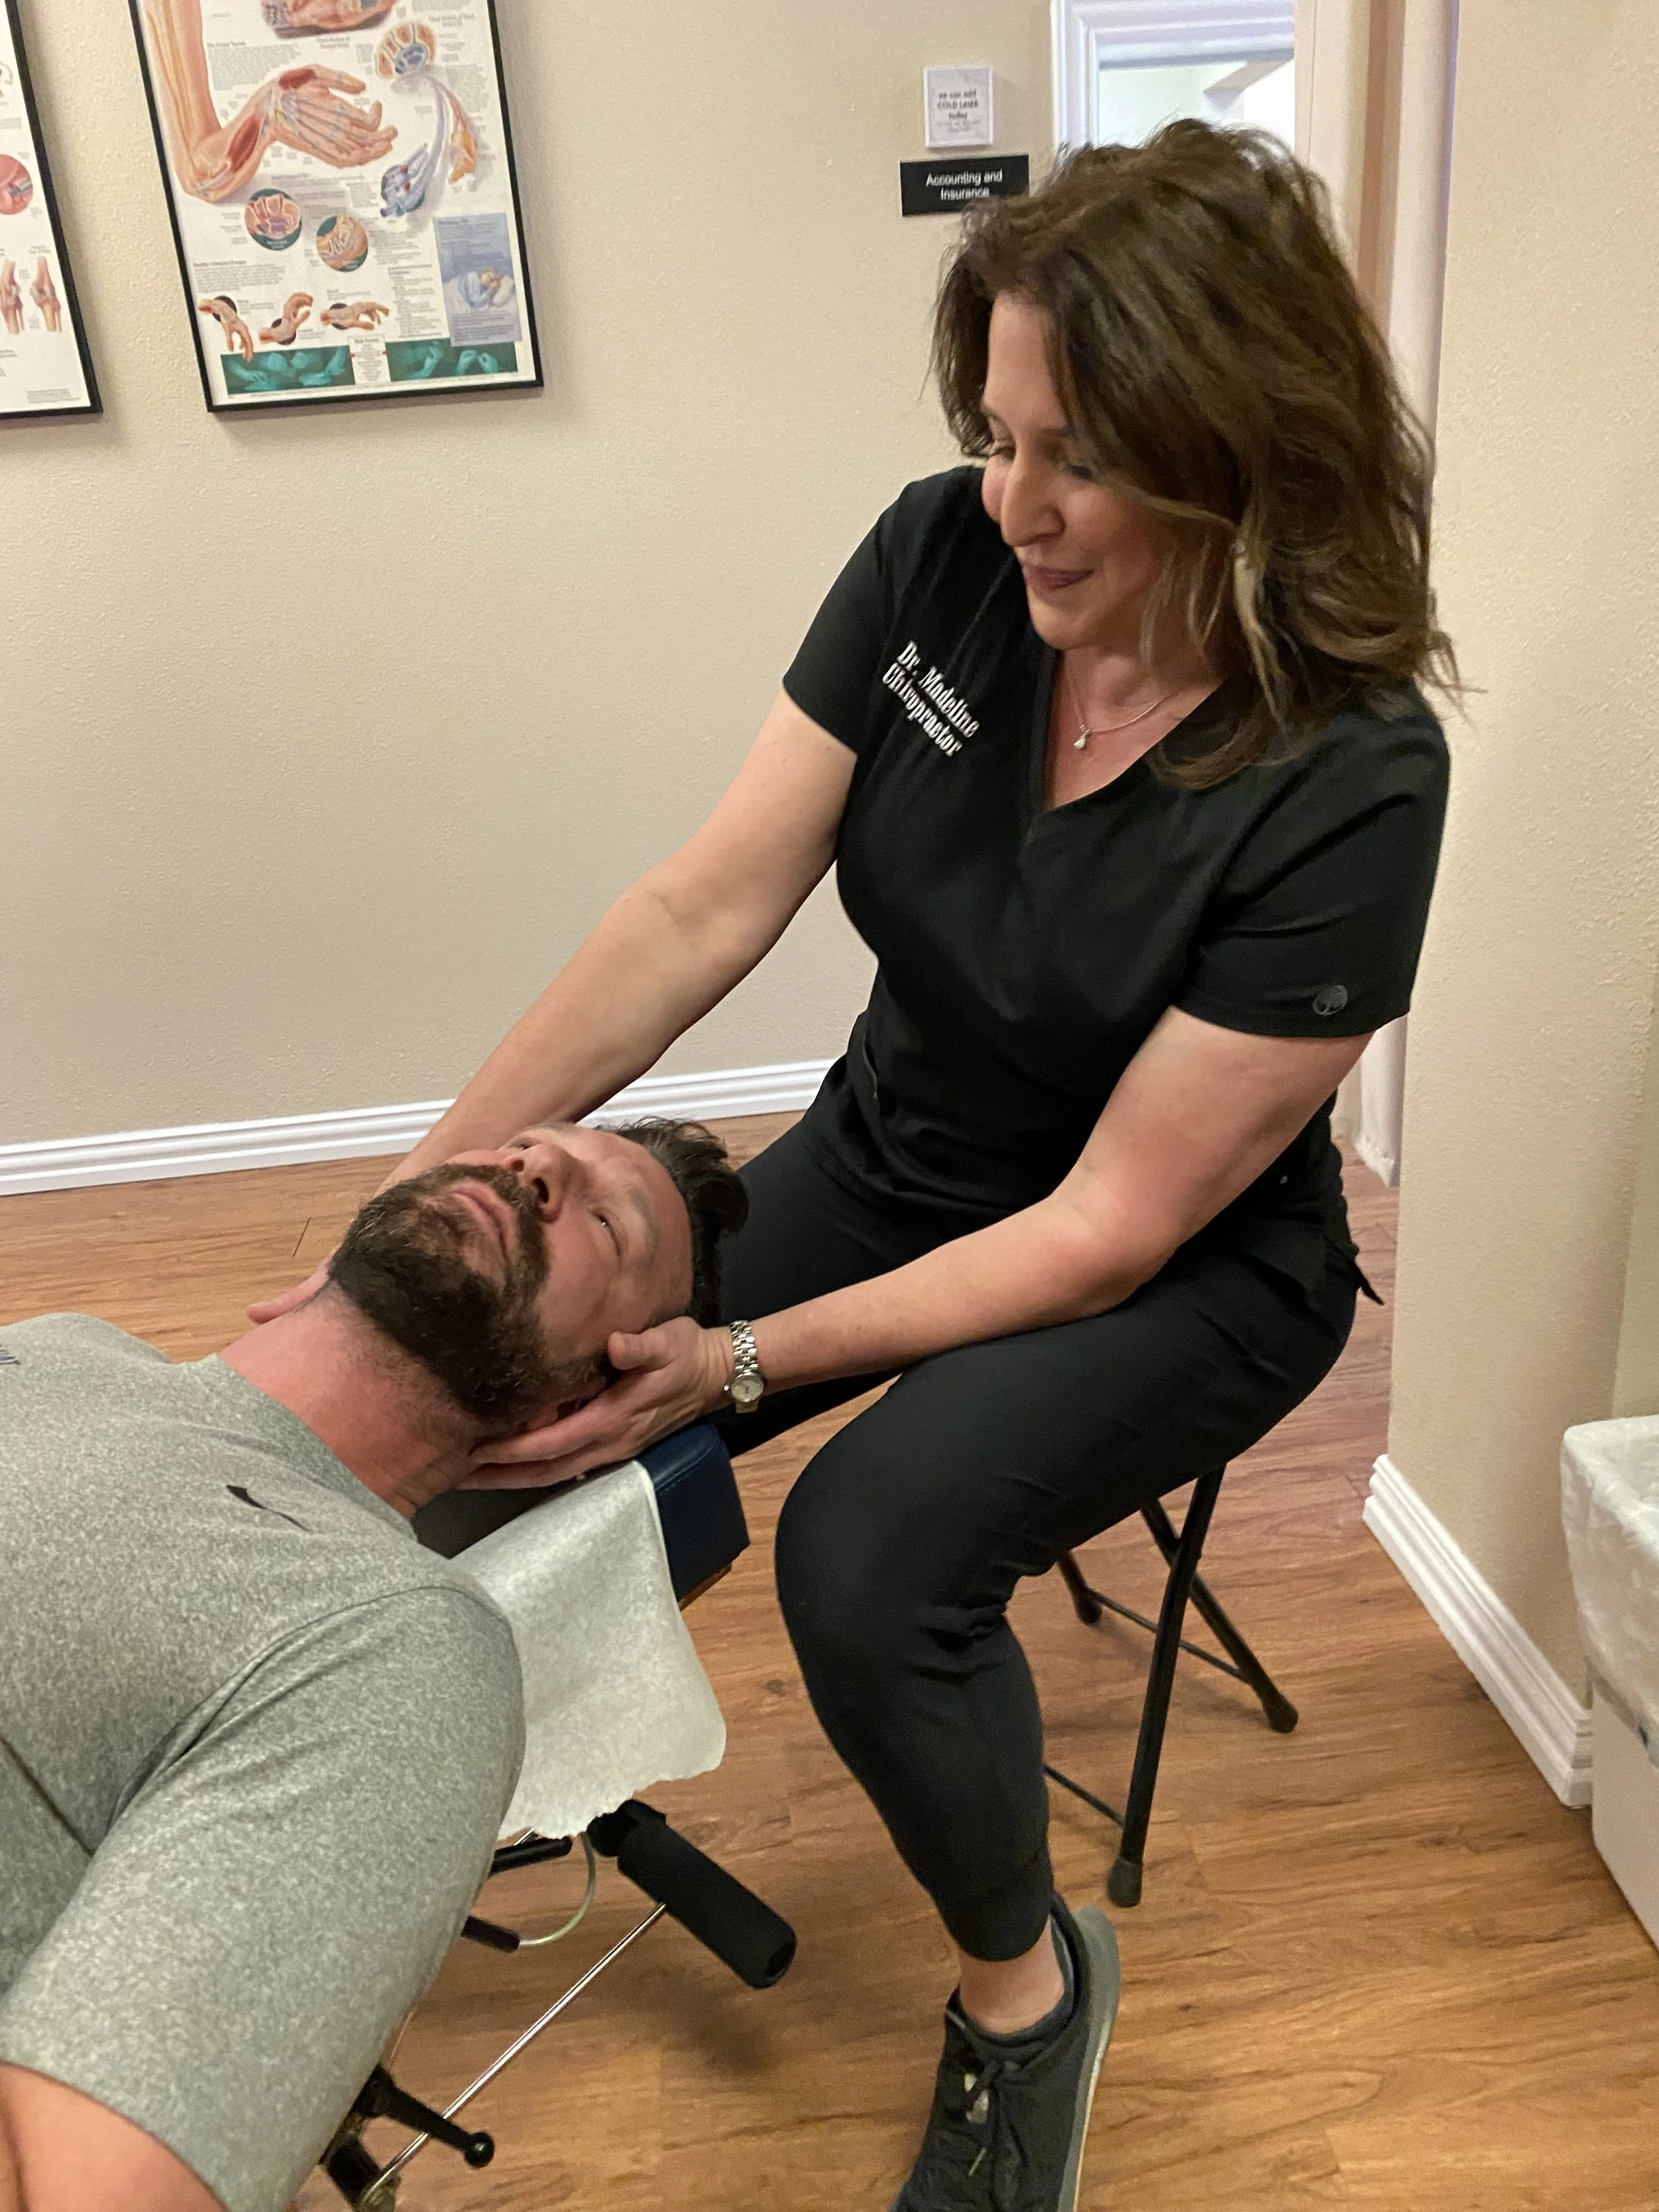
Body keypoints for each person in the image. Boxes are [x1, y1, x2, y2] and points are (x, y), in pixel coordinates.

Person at [254, 123, 1455, 2211]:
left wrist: (733, 1365)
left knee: (872, 1553)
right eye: (989, 433)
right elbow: (695, 913)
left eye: (1073, 453)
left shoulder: (1347, 769)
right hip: (897, 1147)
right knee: (459, 1397)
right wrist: (397, 1231)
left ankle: (1024, 1989)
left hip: (1175, 1272)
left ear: (1234, 440)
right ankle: (413, 1806)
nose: (1015, 505)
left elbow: (1108, 1223)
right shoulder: (939, 562)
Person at [0, 1118, 745, 2212]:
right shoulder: (71, 1343)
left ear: (585, 1402)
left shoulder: (403, 1645)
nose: (535, 1167)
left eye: (604, 1221)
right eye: (527, 1144)